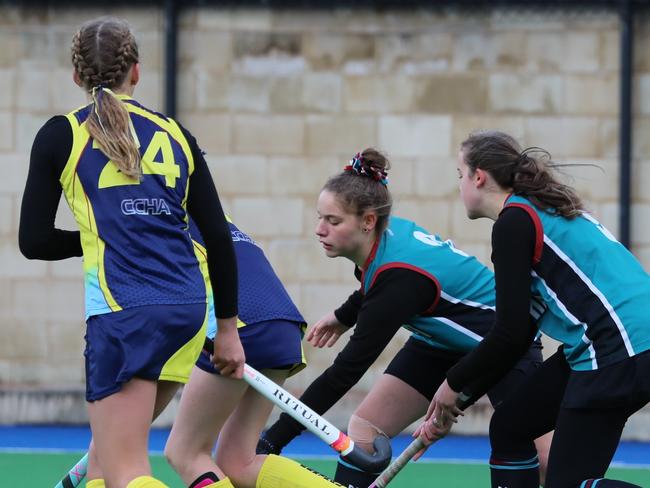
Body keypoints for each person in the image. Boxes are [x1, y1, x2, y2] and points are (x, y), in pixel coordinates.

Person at [19, 17, 244, 488]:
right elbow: (218, 238)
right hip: (187, 312)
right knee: (102, 465)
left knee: (125, 472)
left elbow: (33, 241)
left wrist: (96, 239)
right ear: (136, 72)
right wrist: (226, 330)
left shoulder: (63, 134)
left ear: (76, 76)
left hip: (124, 314)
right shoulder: (176, 133)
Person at [257, 149, 552, 488]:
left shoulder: (399, 277)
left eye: (333, 221)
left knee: (547, 461)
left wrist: (271, 441)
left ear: (368, 221)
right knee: (366, 431)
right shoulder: (384, 238)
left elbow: (344, 373)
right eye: (320, 217)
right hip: (438, 343)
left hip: (504, 345)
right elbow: (377, 288)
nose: (319, 230)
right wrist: (344, 315)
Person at [419, 130, 650, 488]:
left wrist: (451, 385)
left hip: (616, 351)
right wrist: (460, 397)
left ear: (478, 177)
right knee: (512, 426)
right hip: (616, 347)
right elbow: (522, 330)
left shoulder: (515, 222)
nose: (459, 186)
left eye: (459, 174)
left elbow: (508, 335)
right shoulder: (537, 212)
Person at [164, 217, 350, 488]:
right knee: (238, 462)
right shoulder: (206, 209)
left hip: (238, 327)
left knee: (185, 451)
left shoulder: (146, 218)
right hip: (282, 325)